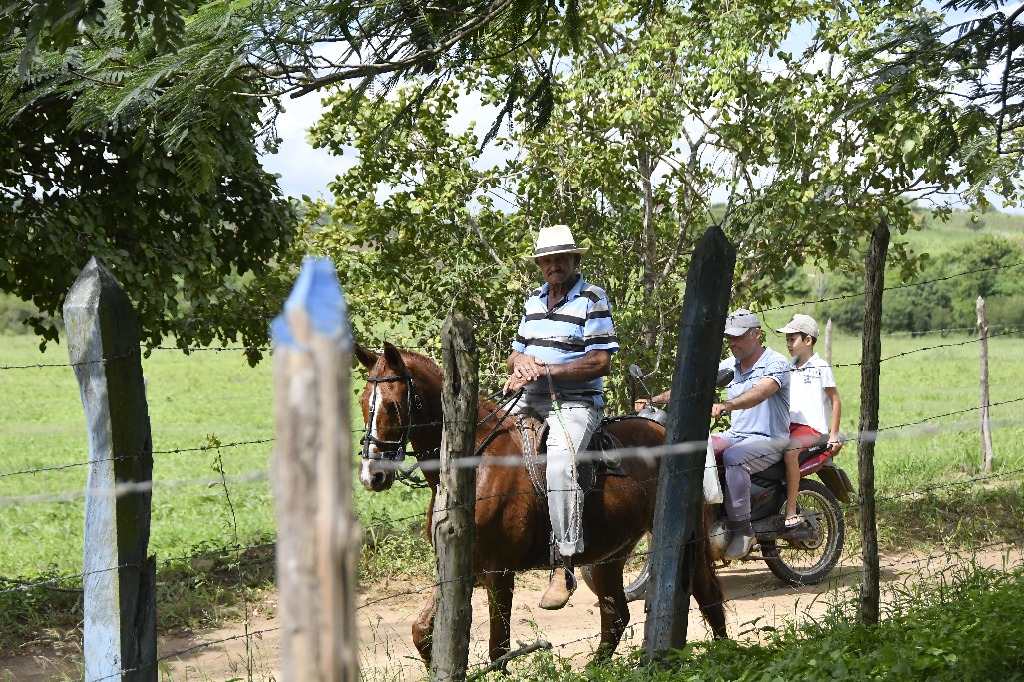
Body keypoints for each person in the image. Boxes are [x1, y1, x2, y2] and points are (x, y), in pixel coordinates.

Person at [502, 223, 619, 610]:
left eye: (560, 258)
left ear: (574, 260)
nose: (553, 265)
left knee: (560, 464)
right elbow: (515, 352)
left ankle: (564, 562)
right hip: (528, 397)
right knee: (484, 439)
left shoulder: (592, 298)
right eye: (546, 259)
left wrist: (548, 371)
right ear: (539, 264)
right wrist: (520, 366)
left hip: (576, 402)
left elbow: (600, 361)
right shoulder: (533, 302)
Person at [710, 308, 792, 560]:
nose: (733, 343)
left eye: (738, 336)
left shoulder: (776, 363)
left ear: (757, 334)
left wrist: (727, 405)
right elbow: (696, 384)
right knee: (700, 450)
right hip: (737, 434)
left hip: (770, 439)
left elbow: (759, 392)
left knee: (734, 457)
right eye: (729, 338)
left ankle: (741, 529)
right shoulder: (729, 365)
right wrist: (654, 400)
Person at [776, 314, 843, 529]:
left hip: (812, 429)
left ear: (808, 340)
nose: (788, 344)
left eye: (792, 339)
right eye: (786, 340)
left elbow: (835, 400)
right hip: (789, 427)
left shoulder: (820, 367)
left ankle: (791, 510)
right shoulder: (788, 367)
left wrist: (833, 435)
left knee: (790, 452)